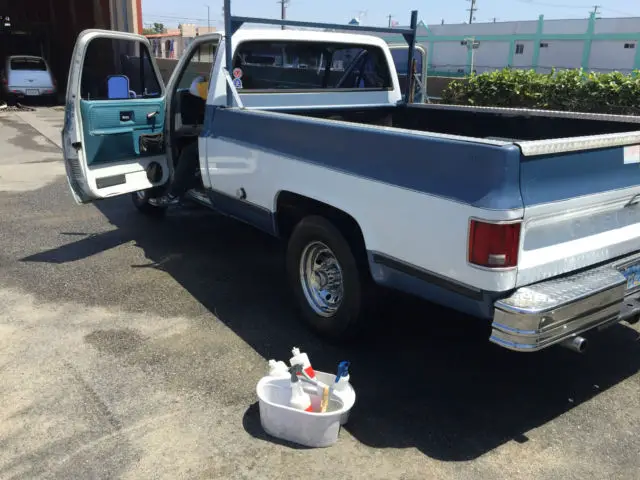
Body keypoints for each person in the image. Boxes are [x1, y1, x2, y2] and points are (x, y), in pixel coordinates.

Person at [150, 75, 209, 207]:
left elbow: (195, 89)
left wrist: (201, 79)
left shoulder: (213, 86)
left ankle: (173, 194)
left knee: (189, 152)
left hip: (217, 138)